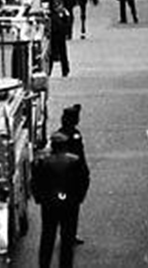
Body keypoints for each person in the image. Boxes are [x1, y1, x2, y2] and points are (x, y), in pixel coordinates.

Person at [32, 131, 90, 268]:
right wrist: (79, 198)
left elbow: (36, 182)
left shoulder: (44, 162)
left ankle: (44, 264)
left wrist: (39, 199)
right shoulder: (74, 161)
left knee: (47, 237)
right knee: (67, 239)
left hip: (49, 205)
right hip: (70, 204)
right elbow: (83, 180)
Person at [55, 105, 89, 246]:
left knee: (66, 209)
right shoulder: (73, 136)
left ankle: (67, 235)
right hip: (70, 178)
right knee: (72, 210)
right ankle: (68, 235)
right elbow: (78, 157)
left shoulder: (59, 134)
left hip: (62, 178)